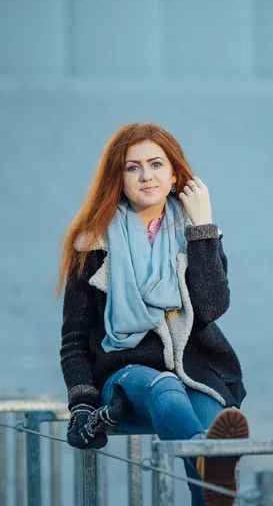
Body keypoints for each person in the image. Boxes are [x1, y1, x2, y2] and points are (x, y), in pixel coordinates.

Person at [57, 122, 249, 506]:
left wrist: (203, 225)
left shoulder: (196, 235)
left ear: (174, 173)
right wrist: (81, 403)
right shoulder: (92, 242)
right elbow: (74, 340)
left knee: (212, 435)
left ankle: (210, 468)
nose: (146, 175)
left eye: (157, 164)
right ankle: (210, 462)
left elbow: (212, 307)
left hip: (193, 372)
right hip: (125, 379)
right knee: (164, 388)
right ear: (119, 178)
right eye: (133, 167)